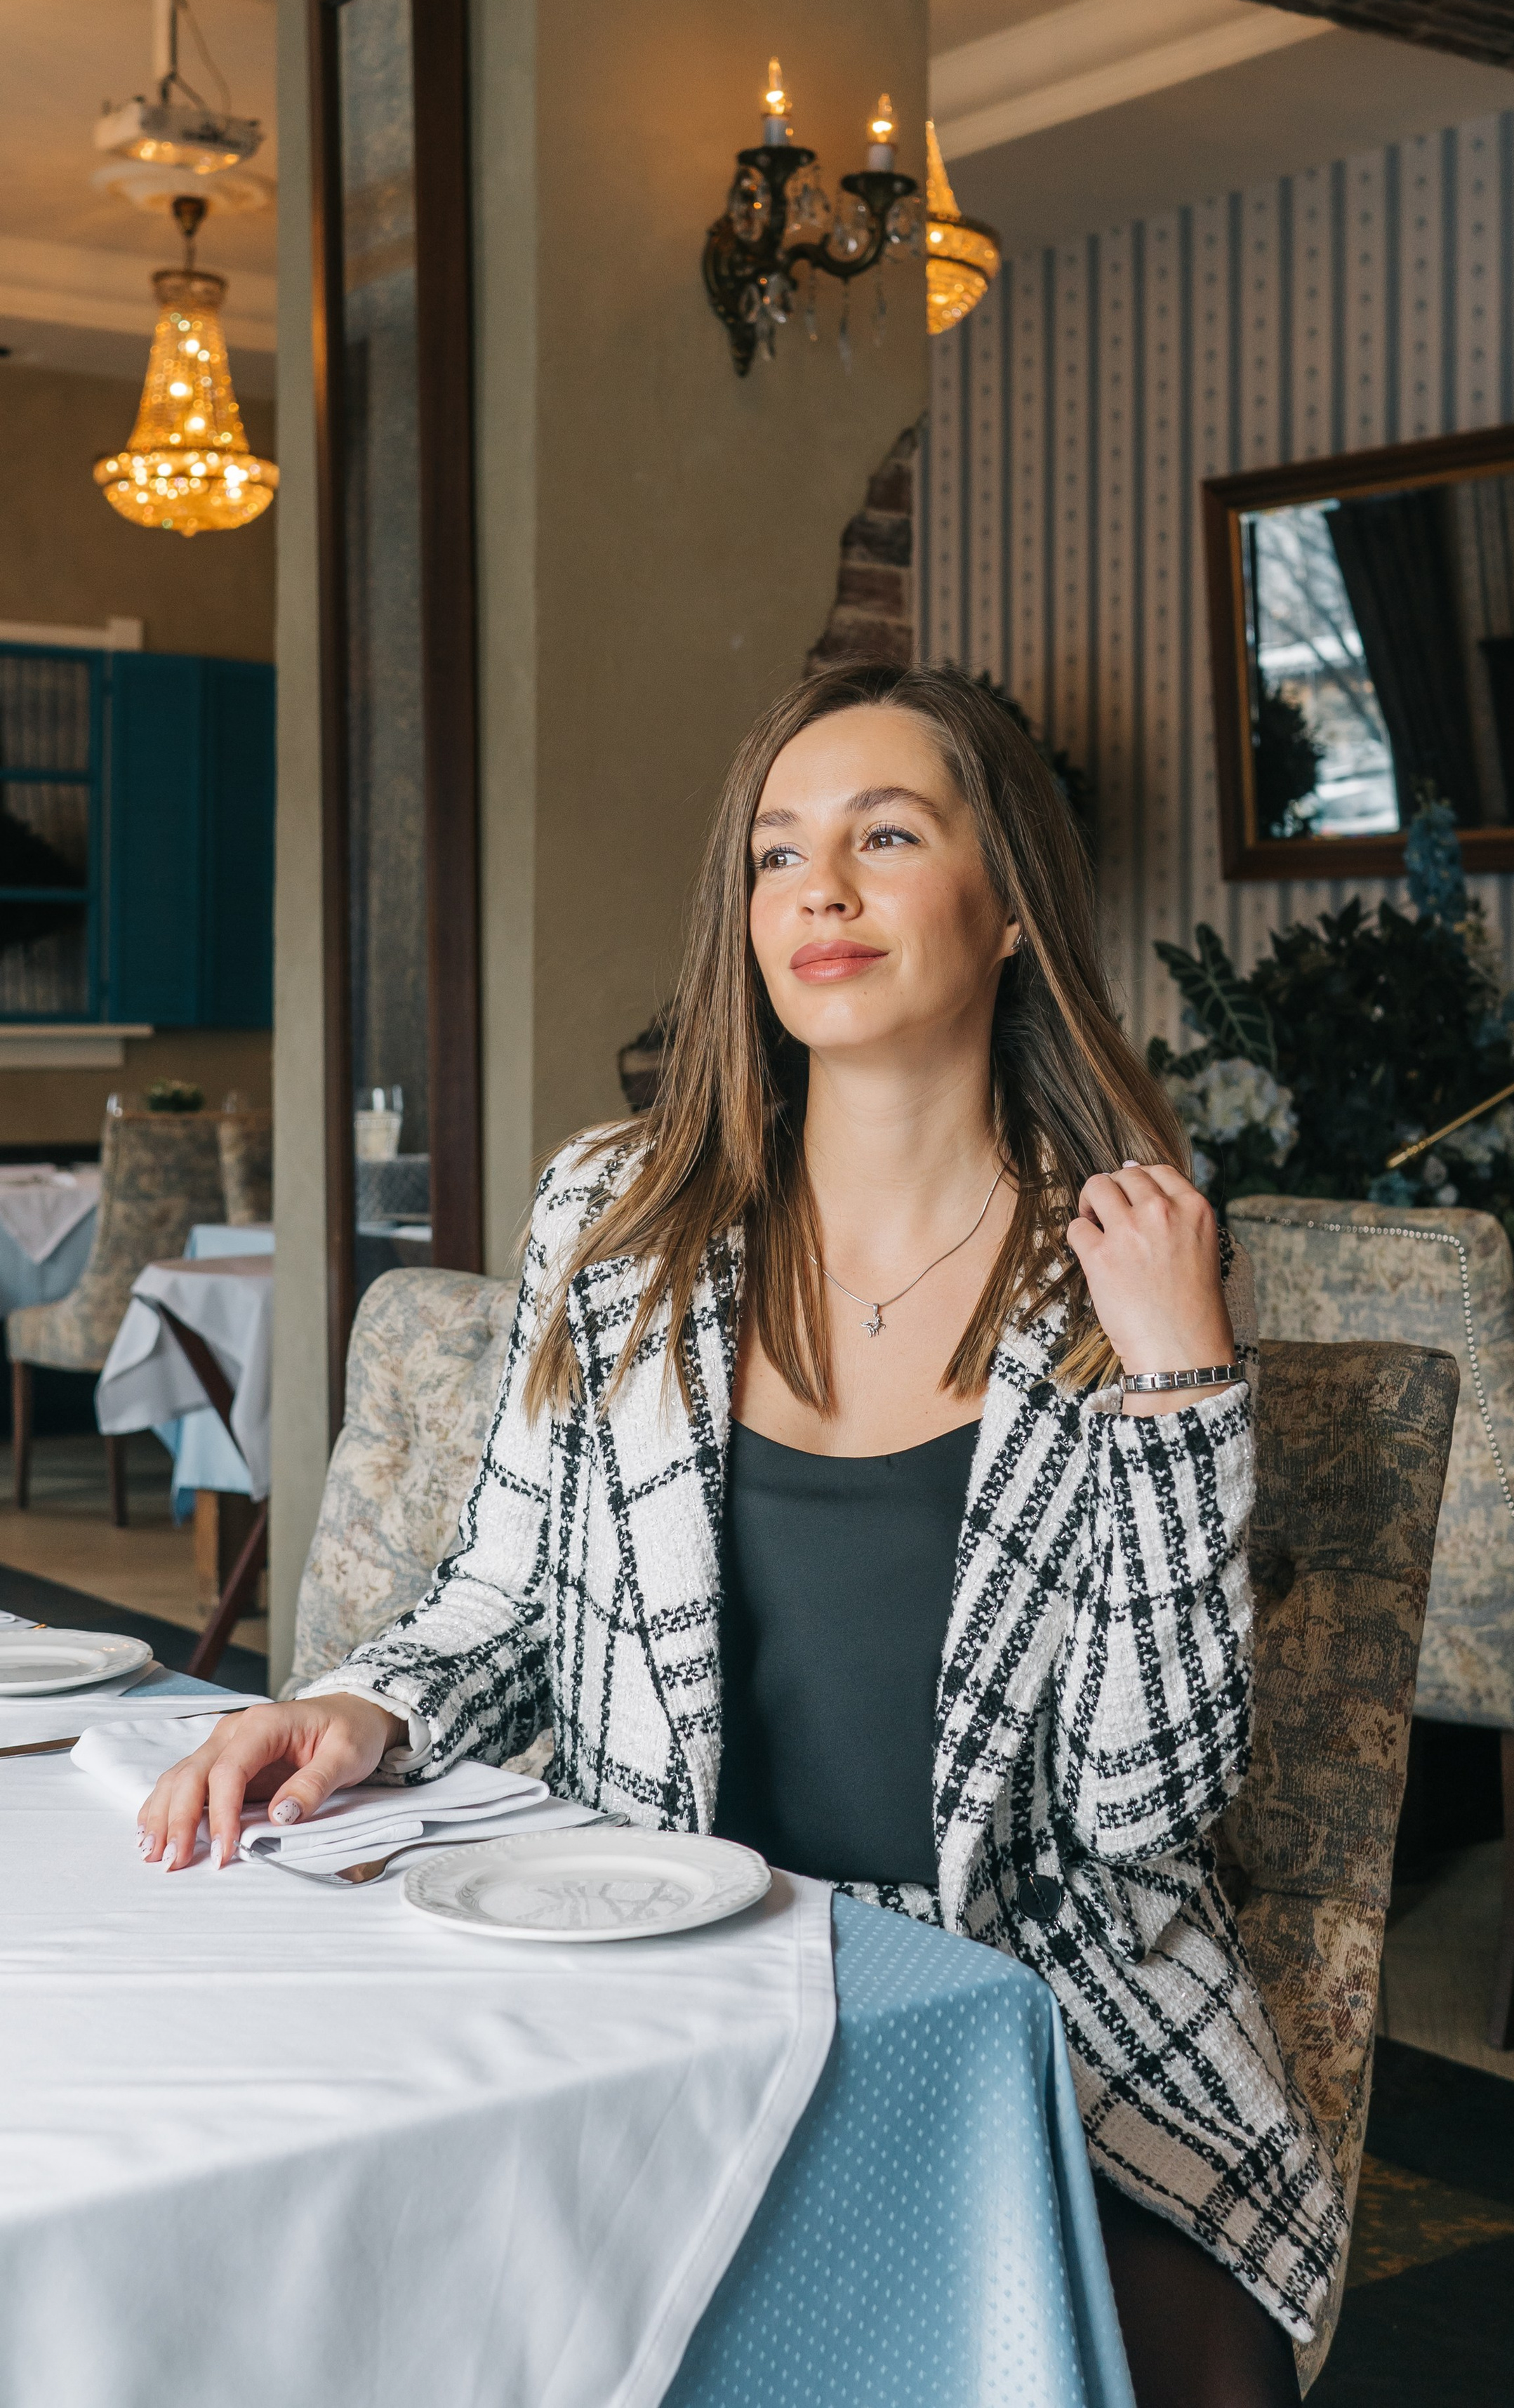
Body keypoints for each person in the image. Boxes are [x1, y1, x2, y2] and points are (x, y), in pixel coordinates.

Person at [140, 663, 1343, 2405]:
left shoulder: (1123, 1264)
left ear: (1009, 907)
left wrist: (1178, 1387)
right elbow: (503, 1587)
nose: (820, 893)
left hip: (1038, 2018)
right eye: (778, 854)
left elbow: (1136, 1811)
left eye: (885, 836)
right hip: (664, 1976)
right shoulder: (619, 1219)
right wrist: (361, 1709)